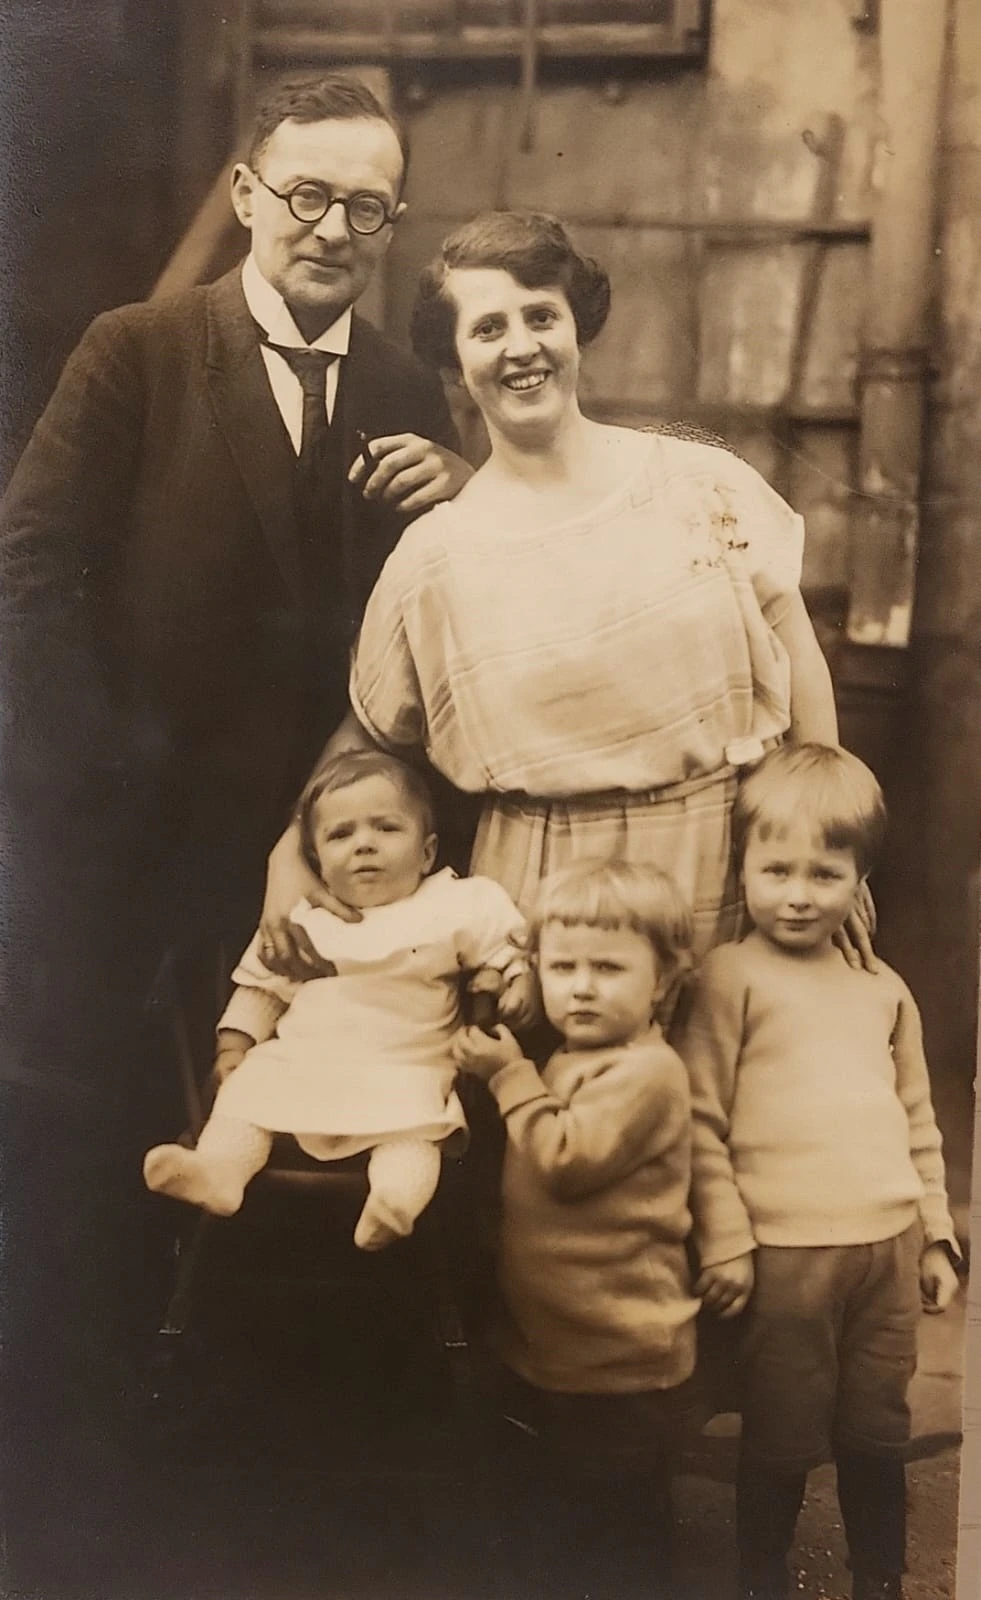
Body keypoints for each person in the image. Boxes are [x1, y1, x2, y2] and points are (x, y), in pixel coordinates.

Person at [0, 73, 469, 1594]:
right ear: (251, 193)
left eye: (368, 205)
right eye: (308, 195)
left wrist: (451, 496)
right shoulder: (138, 350)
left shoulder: (403, 388)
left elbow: (417, 621)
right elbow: (30, 575)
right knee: (111, 1139)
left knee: (306, 1138)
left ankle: (261, 1475)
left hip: (328, 871)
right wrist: (92, 790)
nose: (335, 227)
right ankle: (91, 1473)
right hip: (132, 851)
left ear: (393, 223)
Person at [259, 208, 873, 977]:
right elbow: (370, 736)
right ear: (452, 361)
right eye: (487, 329)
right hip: (540, 902)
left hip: (723, 862)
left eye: (541, 316)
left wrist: (826, 841)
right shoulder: (435, 557)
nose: (521, 347)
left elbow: (795, 655)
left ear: (575, 329)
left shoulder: (698, 482)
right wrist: (292, 848)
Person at [674, 744, 961, 1600]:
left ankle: (880, 1577)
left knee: (878, 1429)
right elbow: (698, 1118)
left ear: (859, 880)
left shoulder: (882, 989)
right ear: (743, 867)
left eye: (824, 873)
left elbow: (918, 1118)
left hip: (887, 1248)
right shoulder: (729, 979)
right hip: (786, 1252)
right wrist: (724, 1241)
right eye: (775, 869)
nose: (797, 893)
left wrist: (938, 1236)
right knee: (782, 1432)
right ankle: (758, 1577)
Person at [143, 750, 530, 1250]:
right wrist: (231, 1049)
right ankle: (220, 1172)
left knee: (413, 1129)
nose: (364, 845)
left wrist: (516, 979)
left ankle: (394, 1201)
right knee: (245, 1096)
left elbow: (503, 950)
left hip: (406, 1064)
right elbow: (263, 988)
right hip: (304, 1061)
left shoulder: (455, 903)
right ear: (318, 863)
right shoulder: (308, 917)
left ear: (428, 852)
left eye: (386, 829)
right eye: (340, 835)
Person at [452, 859, 701, 1600]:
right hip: (559, 1340)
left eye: (608, 968)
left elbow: (566, 1158)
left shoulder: (647, 1073)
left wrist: (504, 1078)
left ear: (662, 981)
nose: (581, 986)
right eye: (562, 967)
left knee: (620, 1527)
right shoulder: (569, 1056)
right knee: (564, 1513)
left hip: (620, 1354)